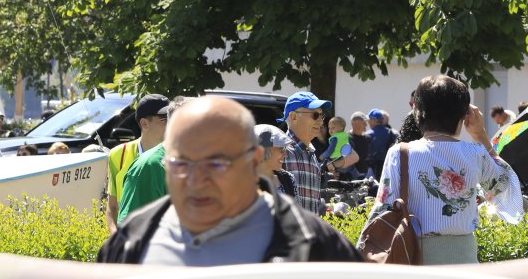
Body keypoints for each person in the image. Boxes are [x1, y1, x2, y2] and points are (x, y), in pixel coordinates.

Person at [97, 97, 360, 265]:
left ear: (253, 160)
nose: (196, 180)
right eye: (181, 163)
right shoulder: (135, 238)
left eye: (215, 164)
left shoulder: (308, 239)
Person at [373, 74, 523, 265]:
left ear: (417, 111)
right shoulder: (475, 153)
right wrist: (481, 136)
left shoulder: (399, 153)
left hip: (413, 258)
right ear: (465, 114)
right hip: (464, 259)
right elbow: (506, 186)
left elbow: (382, 210)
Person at [106, 94, 170, 234]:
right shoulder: (118, 154)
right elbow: (112, 206)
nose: (171, 124)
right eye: (164, 120)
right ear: (144, 123)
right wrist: (116, 239)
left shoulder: (176, 155)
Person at [280, 91, 330, 215]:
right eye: (315, 115)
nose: (321, 121)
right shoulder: (280, 151)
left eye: (322, 116)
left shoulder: (311, 154)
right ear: (293, 117)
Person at [254, 124, 298, 197]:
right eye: (281, 150)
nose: (285, 155)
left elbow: (295, 204)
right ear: (263, 150)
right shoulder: (244, 181)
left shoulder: (288, 178)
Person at [366, 108, 396, 178]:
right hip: (388, 167)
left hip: (372, 169)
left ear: (375, 120)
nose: (368, 122)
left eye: (369, 119)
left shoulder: (368, 134)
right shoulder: (391, 133)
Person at [347, 112, 373, 178]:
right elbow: (348, 160)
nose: (366, 125)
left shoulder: (367, 138)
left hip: (366, 175)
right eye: (364, 123)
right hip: (351, 177)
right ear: (353, 123)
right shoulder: (347, 139)